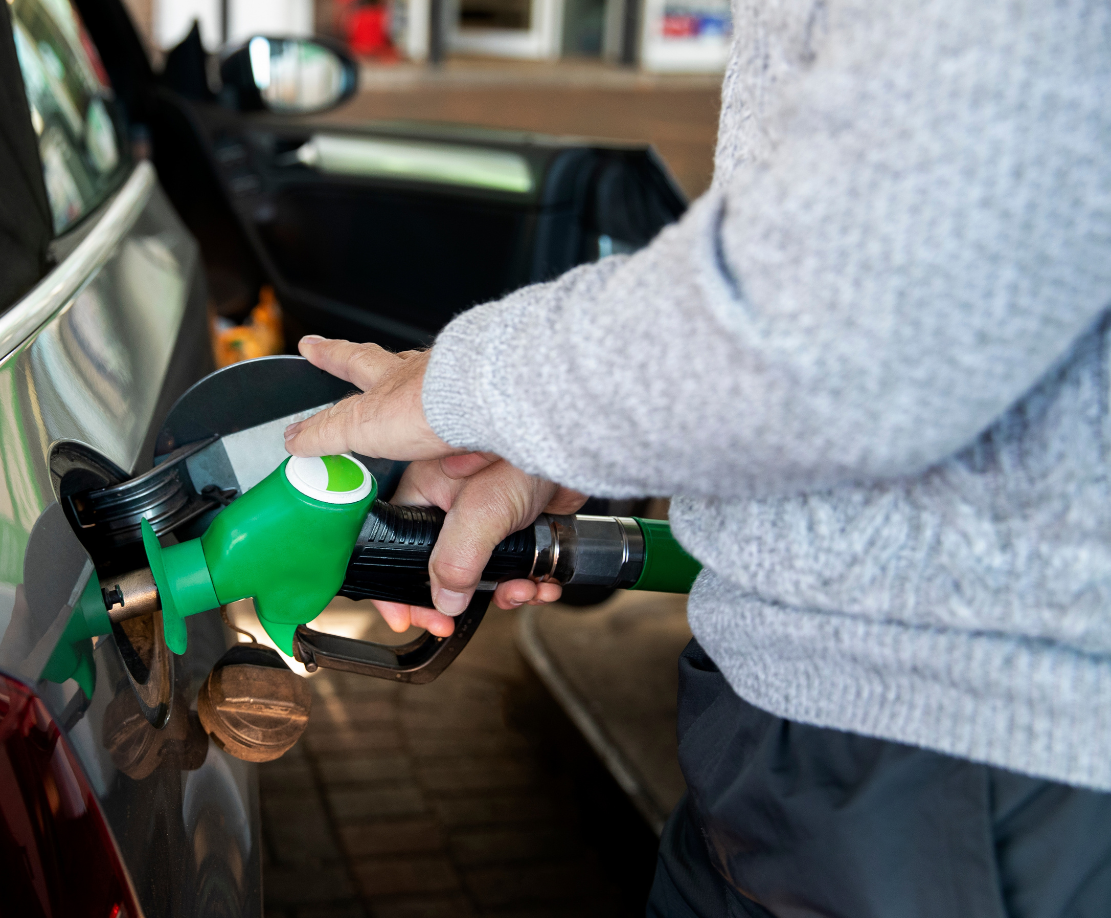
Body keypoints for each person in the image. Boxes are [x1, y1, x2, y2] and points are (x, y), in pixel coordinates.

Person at [282, 0, 1111, 914]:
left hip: (977, 763)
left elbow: (852, 318)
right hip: (797, 730)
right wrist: (563, 442)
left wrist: (465, 388)